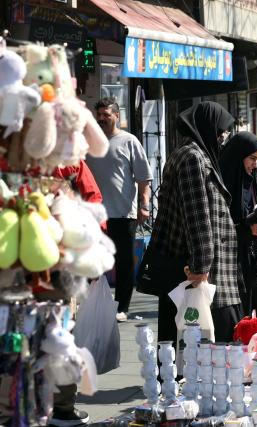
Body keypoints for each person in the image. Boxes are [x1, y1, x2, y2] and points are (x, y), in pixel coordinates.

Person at [150, 101, 242, 344]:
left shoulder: (196, 155)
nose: (223, 137)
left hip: (194, 268)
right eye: (220, 131)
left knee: (188, 337)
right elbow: (197, 216)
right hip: (191, 270)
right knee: (190, 338)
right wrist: (201, 267)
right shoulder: (192, 158)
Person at [86, 97, 153, 323]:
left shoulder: (129, 141)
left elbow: (144, 179)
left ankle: (121, 307)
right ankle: (94, 305)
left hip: (122, 214)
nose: (102, 118)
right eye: (100, 115)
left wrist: (144, 206)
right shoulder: (89, 142)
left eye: (107, 114)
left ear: (117, 116)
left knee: (123, 264)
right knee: (92, 261)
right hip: (93, 215)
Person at [47, 161, 103, 427]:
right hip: (59, 261)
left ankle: (54, 405)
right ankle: (61, 407)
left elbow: (92, 200)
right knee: (59, 334)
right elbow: (93, 202)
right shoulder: (67, 156)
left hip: (38, 263)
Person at [220, 132, 257, 317]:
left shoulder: (254, 178)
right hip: (236, 262)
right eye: (252, 159)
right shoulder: (225, 182)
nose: (255, 164)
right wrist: (247, 229)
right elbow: (222, 225)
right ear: (239, 156)